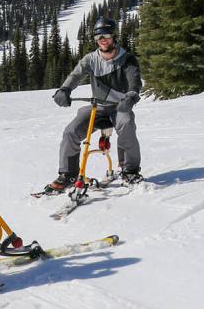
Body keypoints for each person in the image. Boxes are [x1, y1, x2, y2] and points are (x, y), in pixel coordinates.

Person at [47, 16, 143, 191]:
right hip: (98, 107)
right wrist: (65, 90)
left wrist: (130, 96)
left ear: (114, 36)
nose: (102, 41)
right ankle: (67, 174)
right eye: (98, 38)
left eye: (106, 36)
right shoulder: (91, 59)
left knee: (126, 124)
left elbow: (135, 81)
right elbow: (76, 75)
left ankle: (130, 170)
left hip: (120, 106)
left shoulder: (127, 59)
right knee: (71, 131)